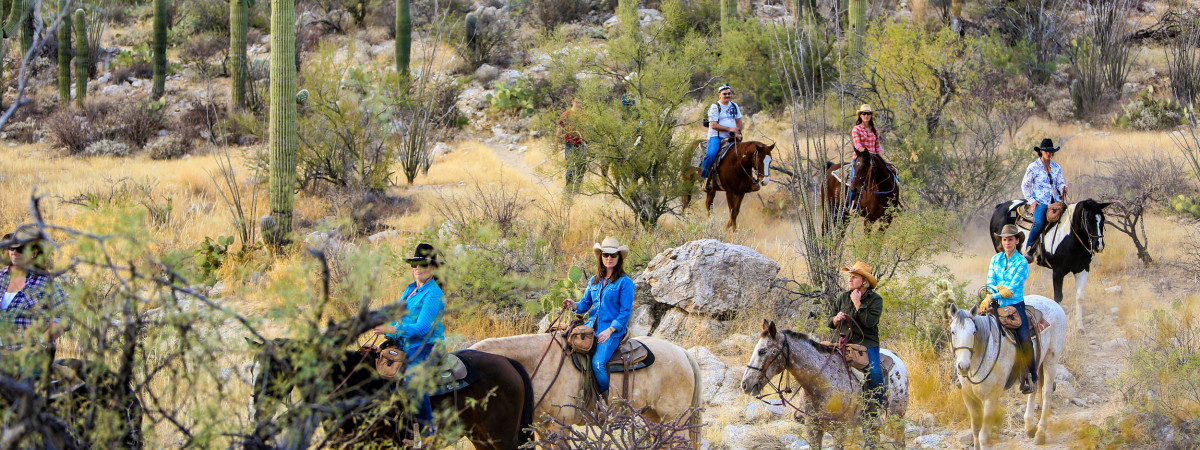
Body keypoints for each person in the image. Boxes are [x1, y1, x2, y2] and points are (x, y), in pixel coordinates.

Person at [373, 243, 446, 437]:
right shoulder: (410, 289)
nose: (417, 269)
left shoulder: (434, 294)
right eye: (414, 265)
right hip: (405, 344)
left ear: (432, 268)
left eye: (422, 265)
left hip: (426, 346)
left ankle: (428, 433)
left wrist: (393, 329)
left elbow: (422, 329)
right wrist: (388, 336)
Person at [562, 236, 634, 397]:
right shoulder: (594, 281)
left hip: (612, 330)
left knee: (598, 363)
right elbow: (585, 304)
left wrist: (609, 331)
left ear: (619, 258)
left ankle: (604, 399)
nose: (609, 258)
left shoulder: (625, 282)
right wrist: (573, 305)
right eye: (605, 254)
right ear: (600, 257)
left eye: (613, 255)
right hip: (591, 327)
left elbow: (625, 312)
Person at [0, 226, 69, 373]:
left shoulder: (44, 283)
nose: (14, 253)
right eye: (11, 248)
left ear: (34, 253)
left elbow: (64, 318)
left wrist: (39, 345)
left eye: (20, 249)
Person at [826, 261, 885, 417]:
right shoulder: (843, 297)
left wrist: (858, 303)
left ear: (864, 281)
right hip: (843, 342)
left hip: (866, 344)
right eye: (849, 277)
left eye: (854, 277)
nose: (849, 280)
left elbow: (869, 322)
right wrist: (835, 319)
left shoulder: (875, 300)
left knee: (874, 373)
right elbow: (829, 321)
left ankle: (879, 407)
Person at [986, 224, 1037, 394]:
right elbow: (990, 282)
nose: (1007, 242)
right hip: (995, 303)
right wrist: (995, 292)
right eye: (1004, 239)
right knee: (973, 327)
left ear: (1017, 241)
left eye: (1010, 239)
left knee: (1024, 338)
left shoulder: (1022, 262)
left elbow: (1013, 288)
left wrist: (995, 294)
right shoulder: (995, 259)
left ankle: (1031, 377)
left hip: (1015, 305)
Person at [1021, 138, 1068, 263]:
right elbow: (1025, 185)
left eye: (1051, 151)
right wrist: (1031, 200)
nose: (1049, 154)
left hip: (1056, 200)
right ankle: (1029, 249)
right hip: (1041, 201)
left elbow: (1060, 182)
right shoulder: (1033, 167)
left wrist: (1063, 188)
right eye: (1047, 151)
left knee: (1070, 215)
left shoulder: (1057, 167)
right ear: (1041, 151)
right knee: (1039, 222)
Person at [699, 84, 743, 181]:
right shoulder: (715, 107)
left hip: (732, 137)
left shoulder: (734, 105)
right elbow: (713, 125)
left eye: (729, 93)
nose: (727, 95)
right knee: (711, 154)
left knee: (745, 155)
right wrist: (730, 129)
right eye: (725, 94)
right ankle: (704, 177)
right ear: (719, 95)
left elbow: (739, 122)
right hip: (717, 136)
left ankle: (748, 181)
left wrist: (738, 132)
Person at [558, 98, 585, 189]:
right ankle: (568, 190)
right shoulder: (566, 114)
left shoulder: (583, 115)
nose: (578, 104)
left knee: (581, 168)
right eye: (577, 102)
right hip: (569, 144)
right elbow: (560, 129)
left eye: (580, 103)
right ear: (572, 102)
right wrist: (555, 144)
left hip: (581, 144)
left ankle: (577, 189)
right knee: (570, 168)